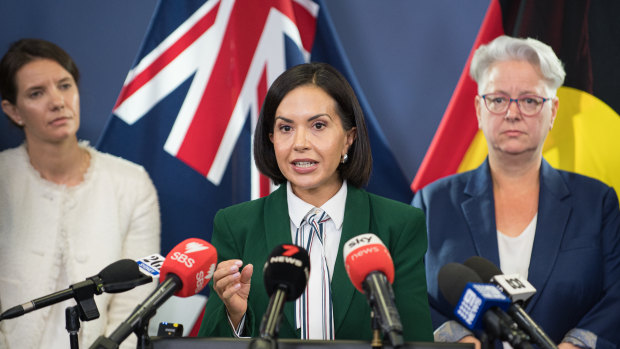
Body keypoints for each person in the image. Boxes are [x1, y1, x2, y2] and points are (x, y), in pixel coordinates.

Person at [197, 62, 433, 341]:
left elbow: (417, 340)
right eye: (286, 128)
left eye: (318, 125)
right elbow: (209, 342)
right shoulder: (235, 225)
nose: (300, 143)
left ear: (349, 138)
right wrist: (235, 316)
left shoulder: (400, 225)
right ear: (271, 139)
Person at [413, 35, 620, 349]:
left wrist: (577, 344)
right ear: (479, 109)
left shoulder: (597, 202)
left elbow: (616, 294)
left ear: (552, 111)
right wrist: (456, 339)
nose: (512, 113)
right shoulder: (432, 203)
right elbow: (407, 292)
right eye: (497, 99)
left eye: (529, 100)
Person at [0, 38, 161, 349]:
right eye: (37, 93)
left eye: (64, 85)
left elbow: (136, 296)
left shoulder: (131, 182)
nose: (58, 101)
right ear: (13, 111)